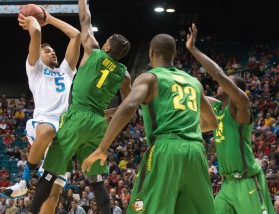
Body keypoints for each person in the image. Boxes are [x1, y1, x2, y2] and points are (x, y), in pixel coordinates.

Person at [29, 0, 131, 214]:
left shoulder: (94, 51)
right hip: (97, 123)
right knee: (96, 181)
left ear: (106, 46)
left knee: (50, 174)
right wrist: (107, 113)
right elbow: (130, 105)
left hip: (77, 116)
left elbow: (85, 20)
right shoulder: (125, 74)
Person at [81, 32, 218, 213]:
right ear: (175, 53)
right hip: (196, 153)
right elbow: (212, 123)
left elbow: (129, 105)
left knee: (140, 207)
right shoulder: (194, 82)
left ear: (151, 52)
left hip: (165, 149)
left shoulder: (149, 77)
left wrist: (102, 148)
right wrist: (185, 128)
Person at [185, 23, 275, 214]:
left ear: (234, 89)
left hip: (246, 181)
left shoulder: (241, 106)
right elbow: (195, 93)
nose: (219, 86)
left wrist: (193, 49)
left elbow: (218, 74)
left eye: (226, 84)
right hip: (227, 185)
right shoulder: (217, 108)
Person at [0, 5, 81, 209]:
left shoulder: (66, 71)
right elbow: (35, 32)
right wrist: (34, 22)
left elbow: (76, 36)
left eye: (53, 50)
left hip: (64, 132)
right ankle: (25, 181)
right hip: (43, 123)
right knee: (47, 130)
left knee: (54, 193)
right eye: (47, 51)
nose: (52, 53)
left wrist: (50, 17)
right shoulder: (35, 70)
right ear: (39, 54)